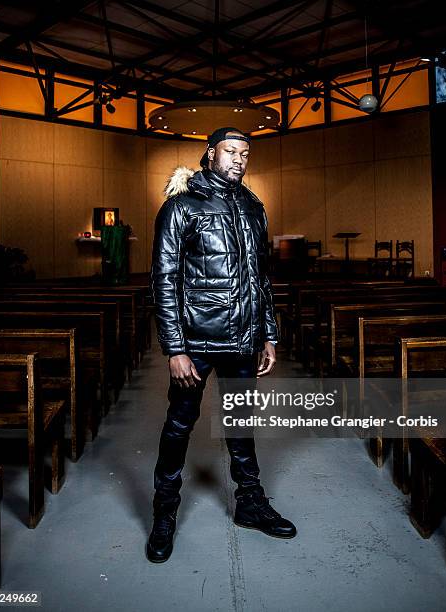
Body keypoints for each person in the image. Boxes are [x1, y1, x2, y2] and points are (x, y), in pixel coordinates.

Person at [148, 126, 296, 563]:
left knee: (240, 425)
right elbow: (164, 281)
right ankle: (164, 512)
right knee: (179, 427)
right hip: (195, 342)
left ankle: (250, 503)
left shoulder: (253, 206)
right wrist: (175, 348)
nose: (239, 159)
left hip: (243, 341)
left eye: (246, 153)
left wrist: (268, 332)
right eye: (231, 151)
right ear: (210, 153)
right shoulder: (181, 208)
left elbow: (262, 278)